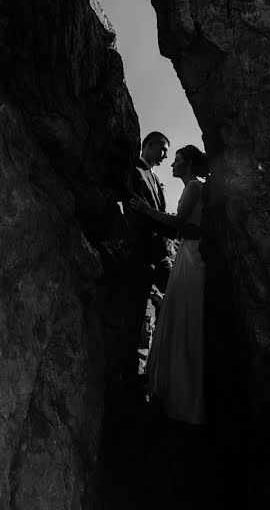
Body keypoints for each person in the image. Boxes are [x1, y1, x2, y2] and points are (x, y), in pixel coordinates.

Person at [130, 145, 208, 424]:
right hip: (188, 251)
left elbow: (177, 224)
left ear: (187, 164)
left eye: (176, 160)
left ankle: (183, 397)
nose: (171, 164)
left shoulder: (192, 188)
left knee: (184, 320)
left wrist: (144, 209)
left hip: (191, 255)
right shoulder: (195, 187)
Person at [123, 131, 175, 384]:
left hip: (159, 251)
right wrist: (177, 228)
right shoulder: (134, 170)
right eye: (163, 148)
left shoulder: (155, 176)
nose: (166, 154)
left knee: (175, 299)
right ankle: (131, 373)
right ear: (148, 145)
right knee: (134, 313)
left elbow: (157, 211)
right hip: (142, 251)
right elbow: (138, 214)